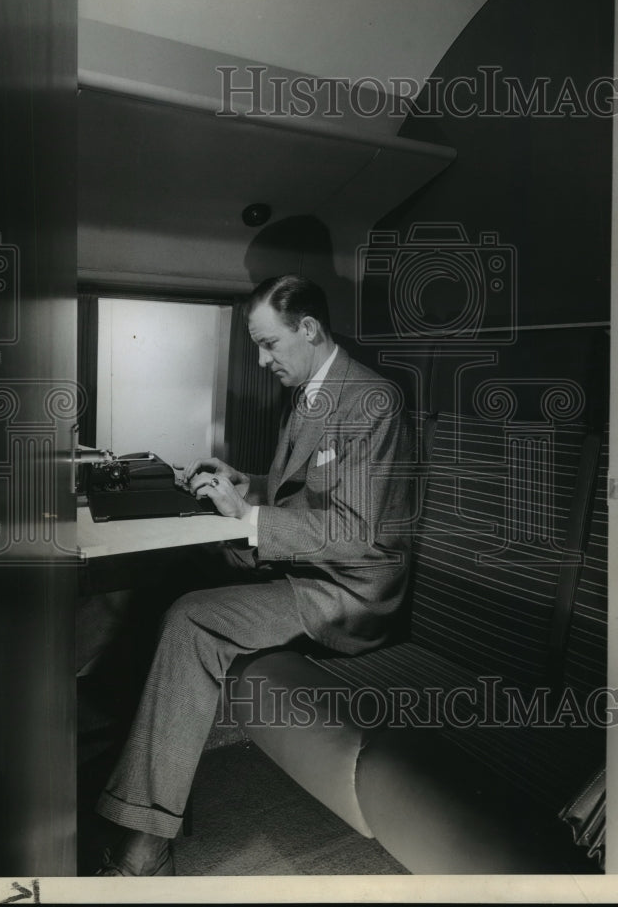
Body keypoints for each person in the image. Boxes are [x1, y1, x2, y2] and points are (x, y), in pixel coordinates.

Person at [95, 274, 412, 876]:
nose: (264, 361)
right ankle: (124, 731)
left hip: (348, 591)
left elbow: (357, 532)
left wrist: (250, 516)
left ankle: (146, 843)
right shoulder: (315, 389)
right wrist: (247, 485)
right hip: (306, 567)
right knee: (171, 565)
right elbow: (309, 492)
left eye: (270, 345)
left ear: (310, 330)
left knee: (194, 619)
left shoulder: (373, 401)